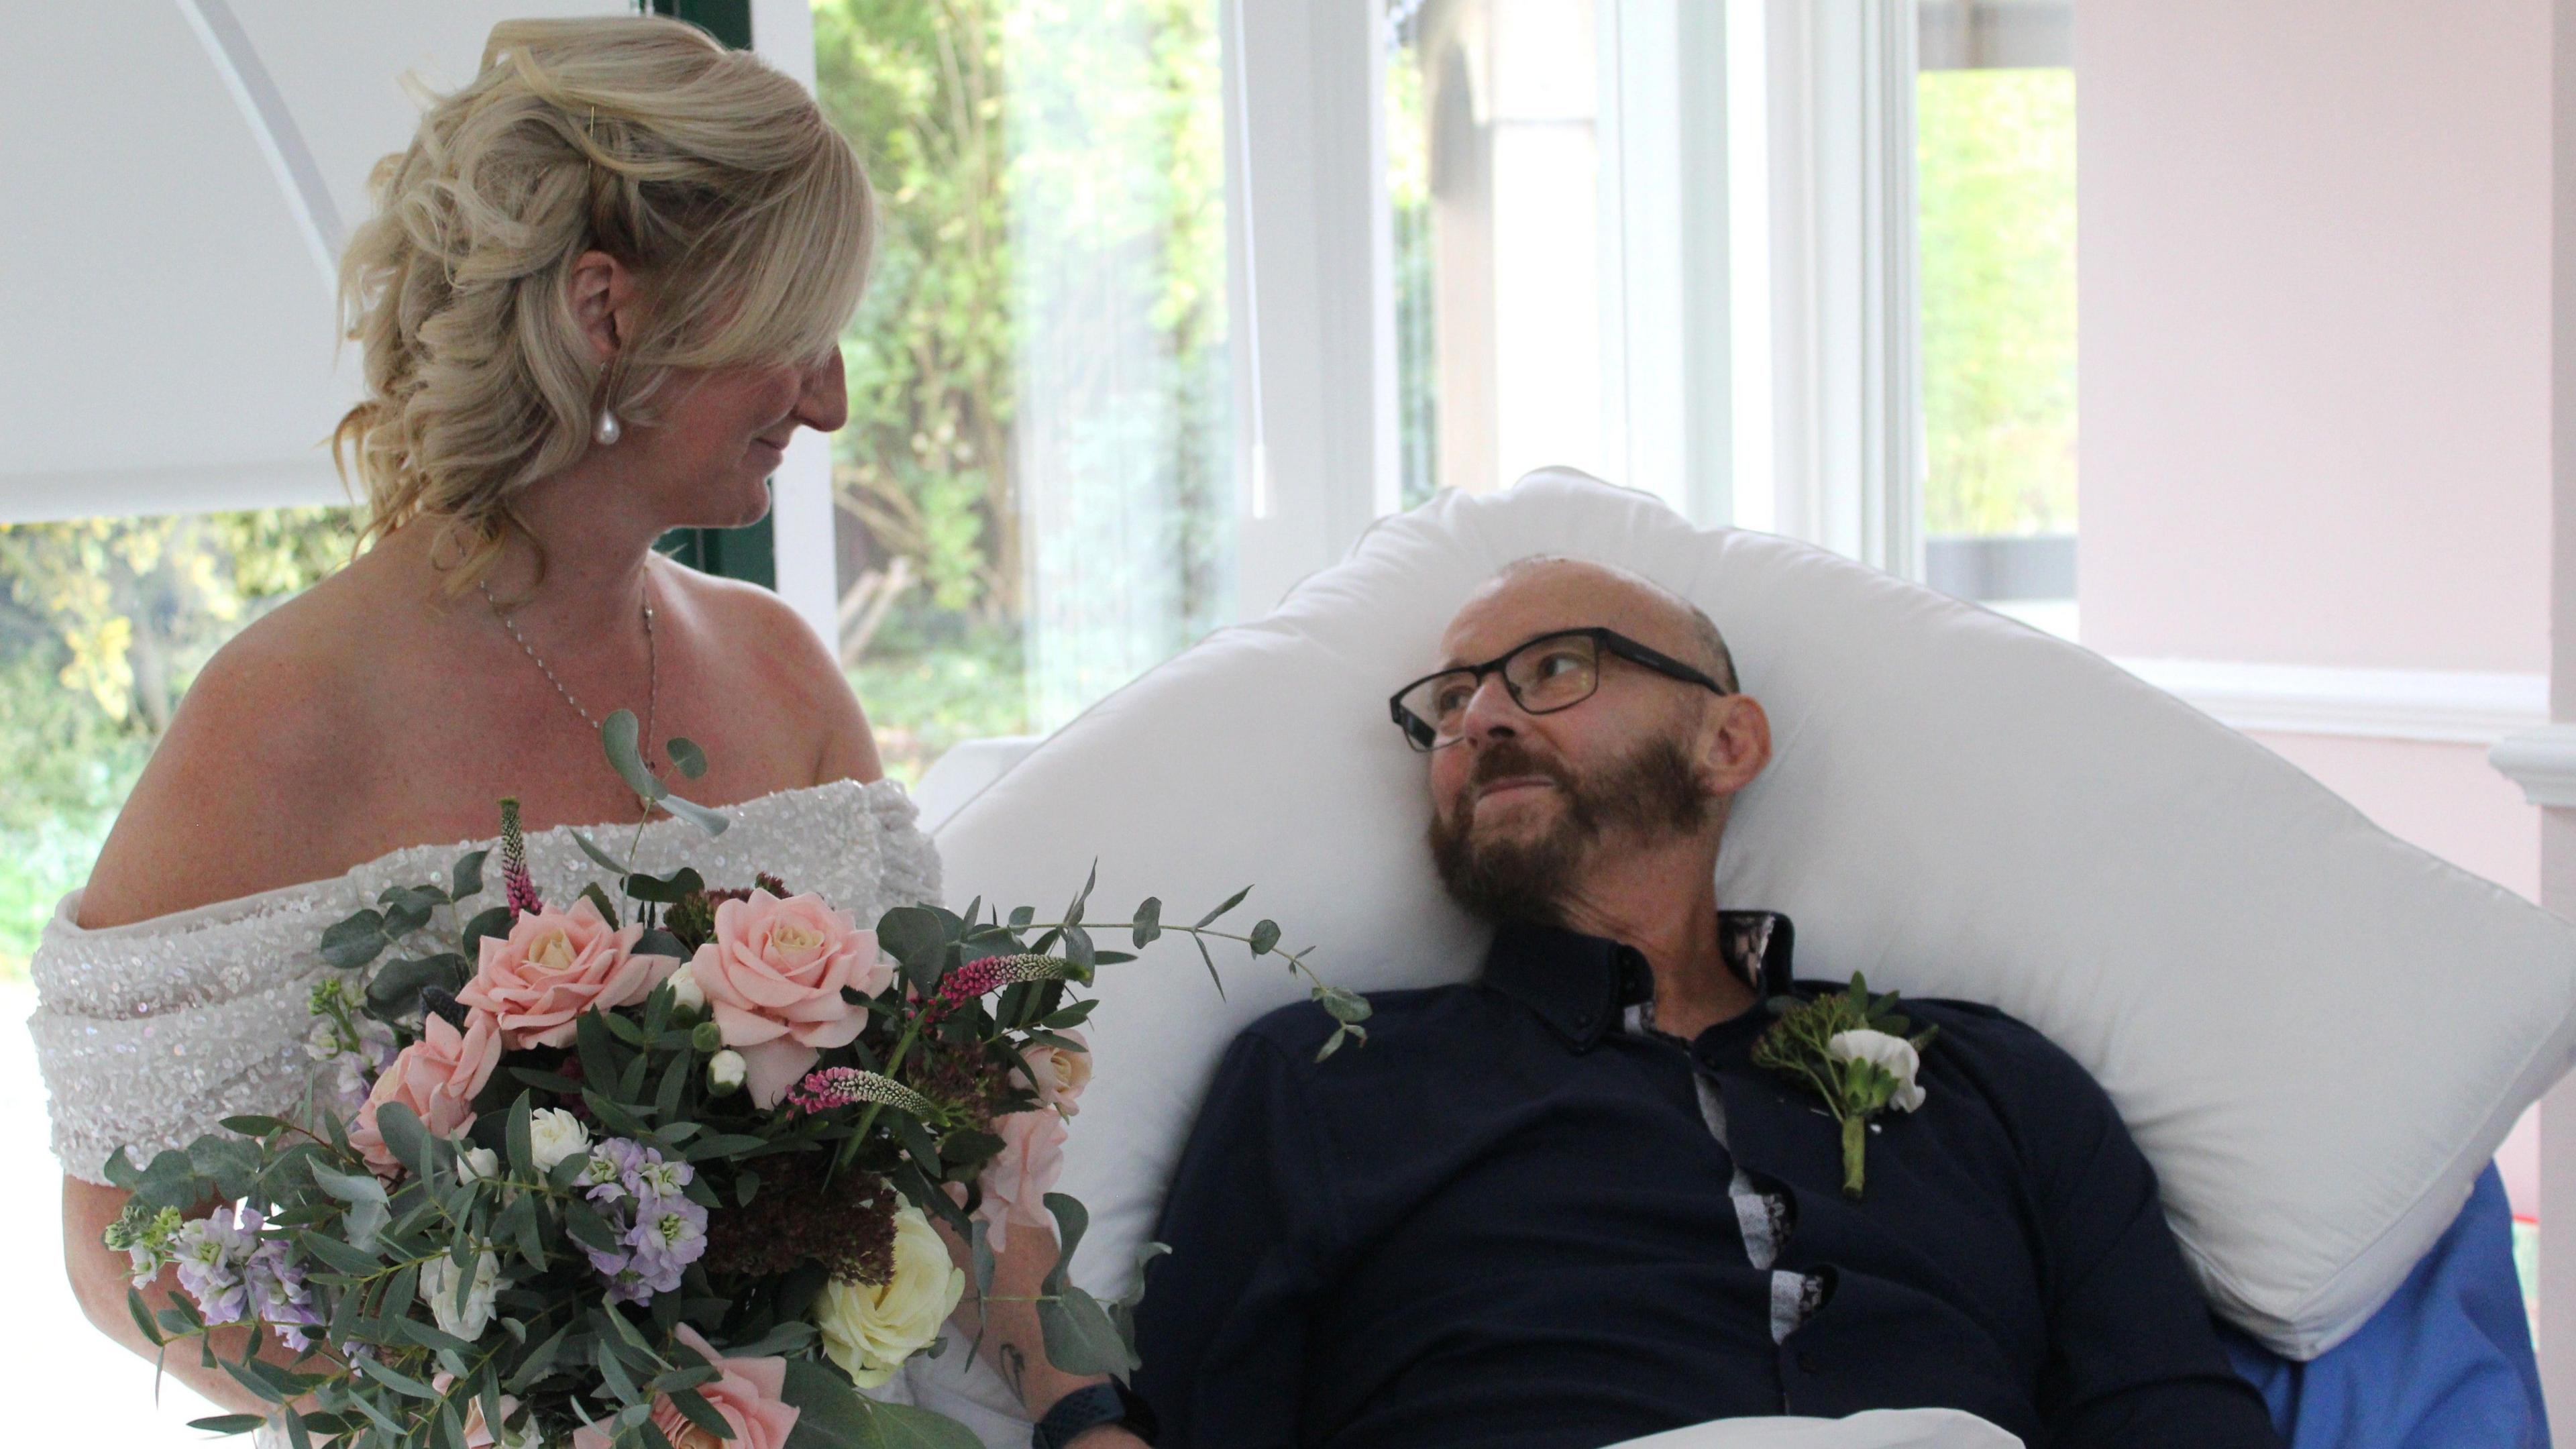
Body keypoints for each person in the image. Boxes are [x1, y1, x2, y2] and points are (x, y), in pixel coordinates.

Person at [36, 19, 1111, 1435]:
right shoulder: (285, 714)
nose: (833, 400)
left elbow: (952, 1147)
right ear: (611, 313)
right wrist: (503, 1407)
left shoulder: (784, 669)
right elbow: (121, 1248)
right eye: (795, 333)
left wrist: (1087, 1412)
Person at [1128, 555, 2283, 1449]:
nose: (1479, 719)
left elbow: (2170, 1416)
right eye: (1451, 700)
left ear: (1727, 742)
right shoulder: (1325, 1076)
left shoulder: (1999, 1082)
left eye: (1553, 669)